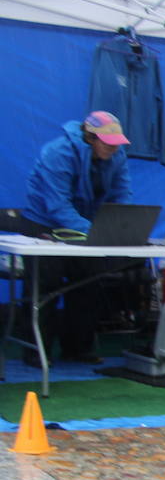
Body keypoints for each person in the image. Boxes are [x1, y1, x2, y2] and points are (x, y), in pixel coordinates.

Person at [14, 110, 135, 363]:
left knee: (89, 282)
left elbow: (122, 194)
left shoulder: (118, 155)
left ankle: (78, 347)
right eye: (108, 143)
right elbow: (57, 206)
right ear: (91, 138)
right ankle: (36, 350)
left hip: (84, 224)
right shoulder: (57, 153)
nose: (114, 149)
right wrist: (96, 232)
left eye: (117, 143)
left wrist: (120, 224)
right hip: (43, 223)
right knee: (45, 283)